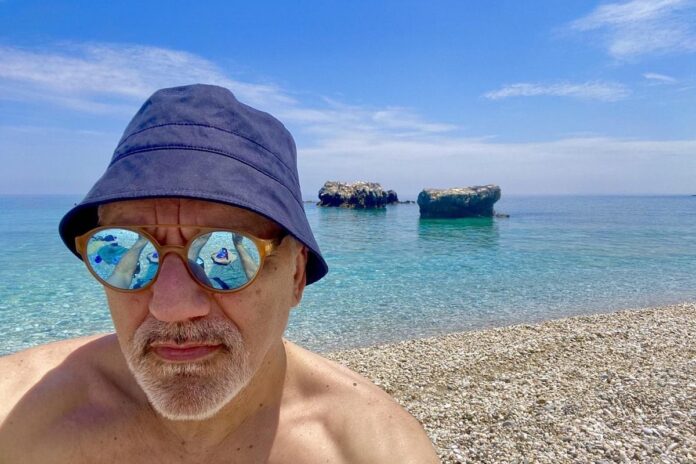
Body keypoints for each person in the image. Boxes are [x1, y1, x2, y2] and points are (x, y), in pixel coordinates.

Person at [0, 84, 439, 463]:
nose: (171, 307)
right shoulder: (14, 417)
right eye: (125, 251)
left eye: (227, 253)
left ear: (296, 275)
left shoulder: (371, 451)